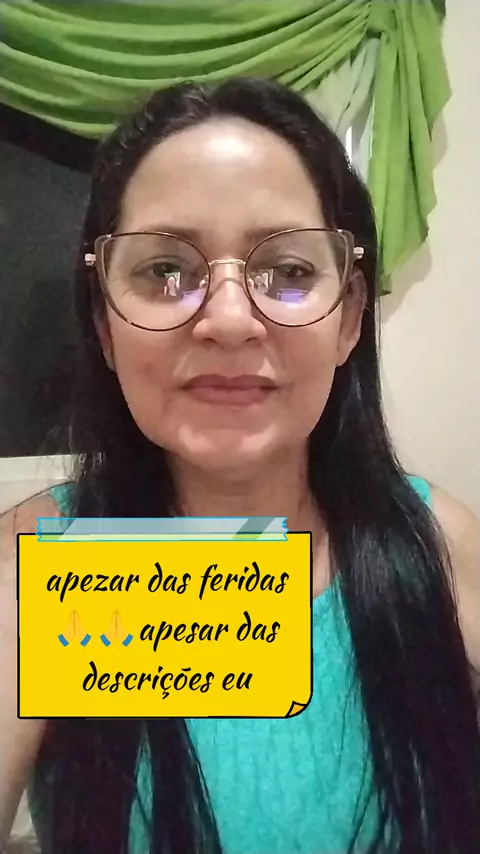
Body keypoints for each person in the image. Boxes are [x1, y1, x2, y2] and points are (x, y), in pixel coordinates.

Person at [1, 77, 479, 854]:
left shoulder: (439, 546)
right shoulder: (33, 565)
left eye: (289, 272)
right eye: (164, 270)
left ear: (350, 319)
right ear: (104, 324)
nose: (228, 320)